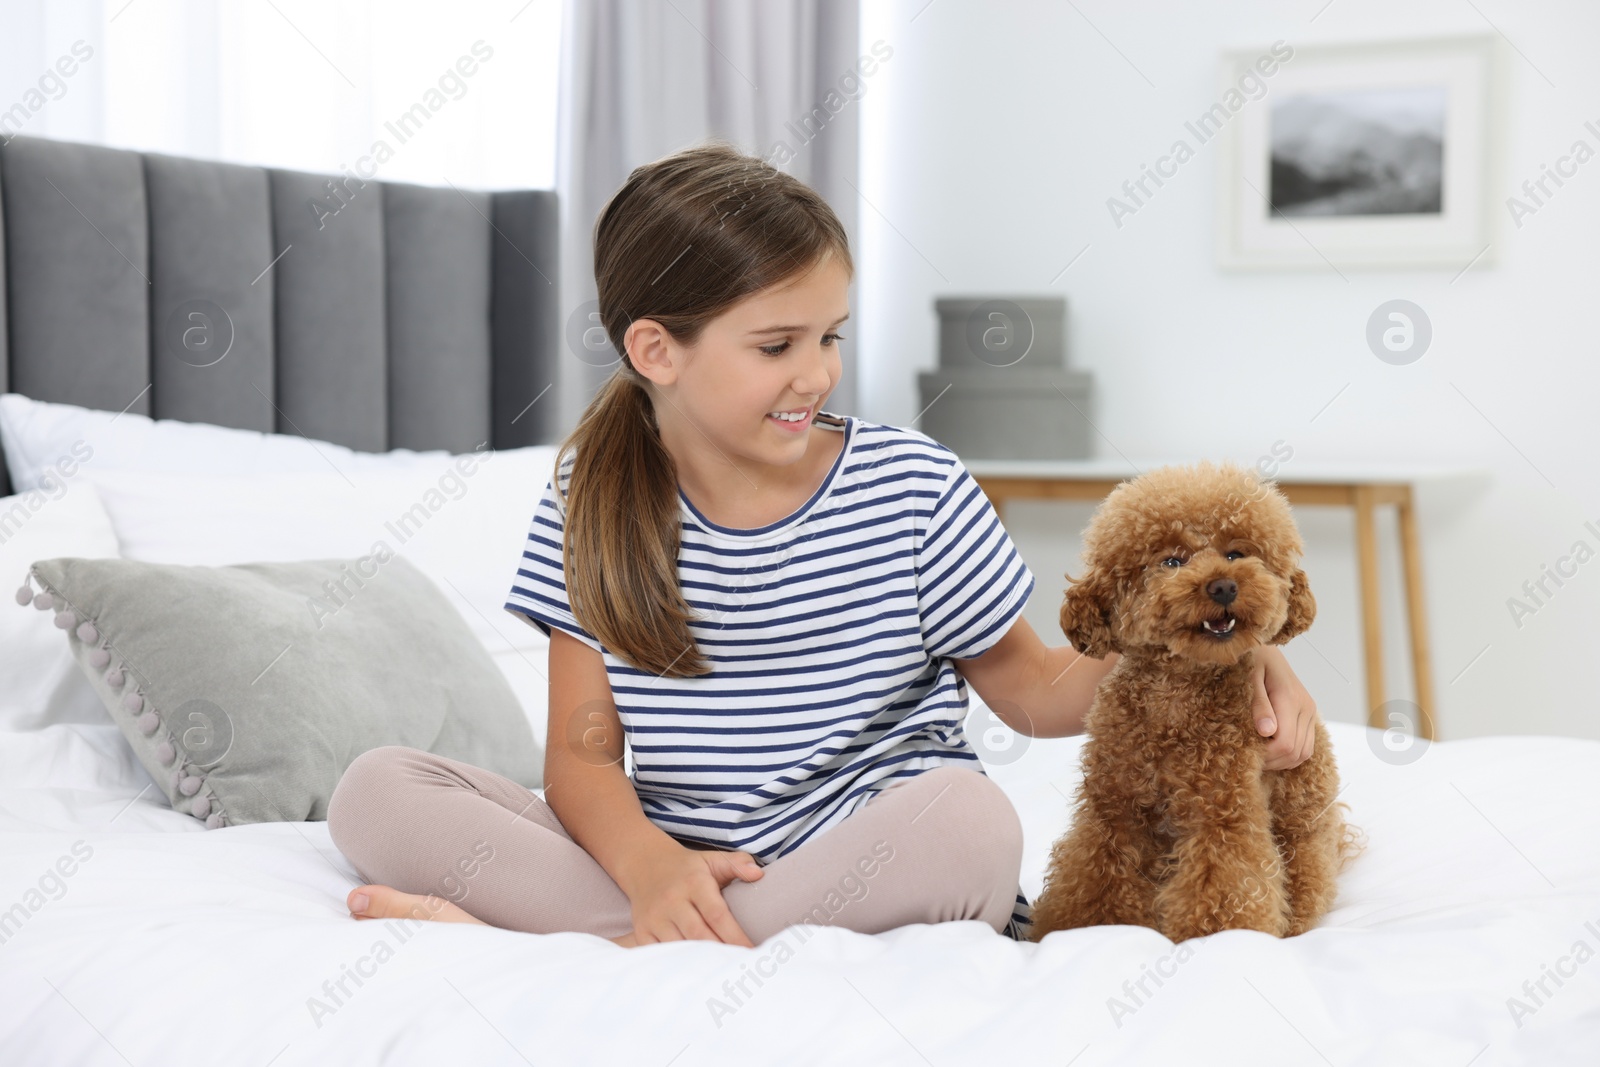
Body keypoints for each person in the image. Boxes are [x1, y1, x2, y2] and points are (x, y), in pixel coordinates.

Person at [325, 140, 1320, 949]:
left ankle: (594, 948)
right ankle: (670, 932)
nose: (816, 373)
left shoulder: (913, 486)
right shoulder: (590, 500)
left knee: (972, 822)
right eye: (776, 345)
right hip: (673, 860)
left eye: (830, 336)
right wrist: (646, 863)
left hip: (869, 855)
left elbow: (1034, 689)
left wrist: (1225, 643)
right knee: (377, 789)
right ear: (654, 349)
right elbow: (583, 762)